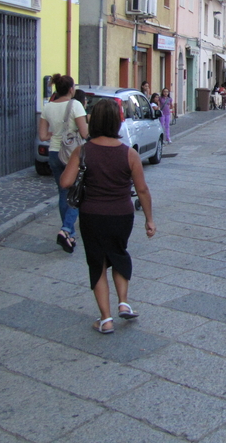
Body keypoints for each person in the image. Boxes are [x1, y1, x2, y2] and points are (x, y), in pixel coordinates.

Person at [59, 99, 155, 334]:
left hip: (92, 214)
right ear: (116, 122)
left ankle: (106, 319)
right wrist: (149, 220)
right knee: (119, 254)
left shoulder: (83, 151)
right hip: (122, 214)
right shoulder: (129, 154)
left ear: (94, 121)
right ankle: (123, 301)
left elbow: (65, 182)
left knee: (97, 263)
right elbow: (142, 190)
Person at [38, 74, 89, 253]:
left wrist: (57, 135)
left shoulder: (48, 107)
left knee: (62, 192)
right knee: (77, 192)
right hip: (71, 154)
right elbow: (84, 133)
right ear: (70, 89)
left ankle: (69, 233)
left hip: (53, 152)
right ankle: (66, 229)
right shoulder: (75, 105)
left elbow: (43, 135)